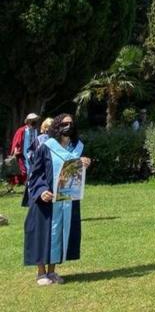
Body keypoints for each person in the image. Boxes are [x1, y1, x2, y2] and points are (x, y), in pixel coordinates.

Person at [24, 114, 90, 285]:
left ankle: (52, 272)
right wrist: (41, 190)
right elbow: (35, 173)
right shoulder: (46, 147)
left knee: (59, 234)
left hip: (66, 199)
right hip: (46, 200)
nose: (68, 126)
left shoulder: (77, 148)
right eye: (64, 123)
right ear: (57, 126)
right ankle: (40, 273)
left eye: (71, 124)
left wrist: (83, 163)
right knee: (42, 233)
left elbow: (75, 174)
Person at [10, 113, 40, 188]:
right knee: (23, 170)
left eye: (35, 120)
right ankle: (24, 183)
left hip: (33, 153)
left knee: (32, 168)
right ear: (29, 121)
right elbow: (17, 141)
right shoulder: (22, 130)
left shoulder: (35, 130)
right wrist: (15, 151)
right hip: (23, 153)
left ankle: (29, 183)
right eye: (33, 120)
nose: (35, 121)